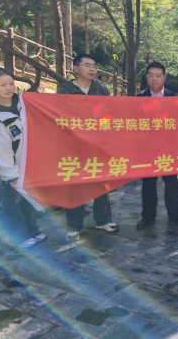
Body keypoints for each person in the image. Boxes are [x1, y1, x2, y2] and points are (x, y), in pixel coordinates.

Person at [0, 68, 47, 248]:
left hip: (29, 163)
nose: (9, 88)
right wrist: (10, 174)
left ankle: (32, 230)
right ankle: (18, 238)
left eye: (11, 83)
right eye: (3, 85)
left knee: (28, 198)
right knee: (12, 202)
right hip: (12, 168)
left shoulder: (21, 104)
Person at [58, 53, 118, 241]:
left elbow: (107, 116)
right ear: (76, 68)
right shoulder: (65, 91)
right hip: (73, 145)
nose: (92, 69)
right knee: (75, 184)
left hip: (97, 144)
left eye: (94, 65)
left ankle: (103, 219)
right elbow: (60, 117)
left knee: (101, 182)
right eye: (87, 65)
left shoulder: (101, 90)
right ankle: (74, 225)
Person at [135, 62, 178, 228]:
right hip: (147, 148)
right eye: (151, 75)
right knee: (148, 182)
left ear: (164, 78)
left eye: (158, 76)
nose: (155, 79)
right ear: (147, 77)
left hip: (169, 147)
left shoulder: (175, 98)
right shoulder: (137, 99)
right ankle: (148, 216)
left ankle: (174, 214)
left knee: (171, 181)